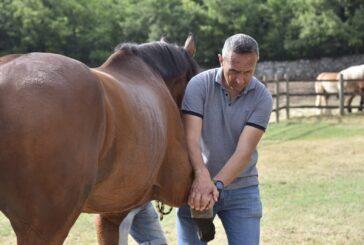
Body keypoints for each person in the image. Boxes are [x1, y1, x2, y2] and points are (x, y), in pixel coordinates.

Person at [177, 33, 273, 245]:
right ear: (221, 59)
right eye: (234, 71)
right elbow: (190, 138)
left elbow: (244, 151)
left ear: (256, 62)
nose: (240, 79)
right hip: (196, 189)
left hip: (242, 191)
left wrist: (214, 186)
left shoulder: (262, 97)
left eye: (248, 72)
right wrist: (202, 178)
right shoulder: (198, 85)